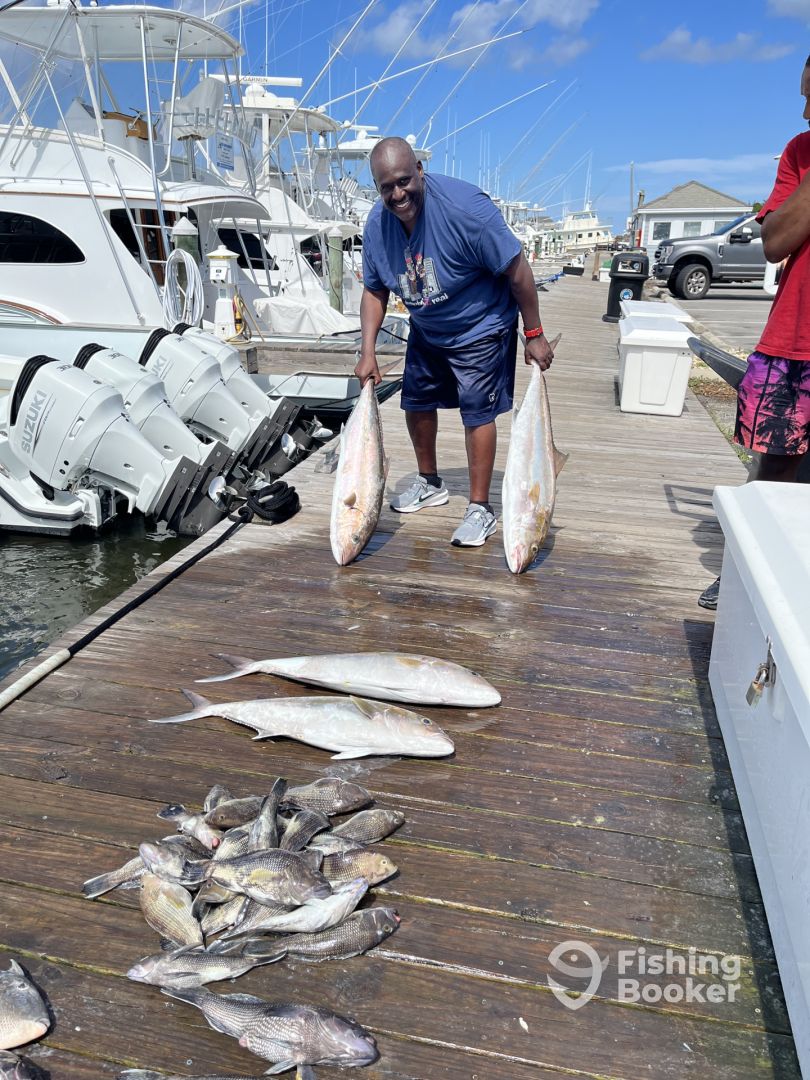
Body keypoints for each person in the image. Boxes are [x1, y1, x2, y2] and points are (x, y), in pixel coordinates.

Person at [355, 137, 555, 547]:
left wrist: (534, 333)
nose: (398, 194)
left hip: (481, 325)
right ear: (377, 188)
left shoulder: (466, 210)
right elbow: (374, 291)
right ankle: (430, 482)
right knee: (415, 402)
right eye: (387, 187)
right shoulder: (376, 226)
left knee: (477, 413)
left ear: (420, 171)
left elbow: (518, 270)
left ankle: (481, 508)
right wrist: (368, 351)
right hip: (427, 325)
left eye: (404, 181)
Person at [699, 55, 810, 609]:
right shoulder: (800, 152)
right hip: (794, 337)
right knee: (772, 466)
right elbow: (775, 242)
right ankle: (747, 573)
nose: (806, 112)